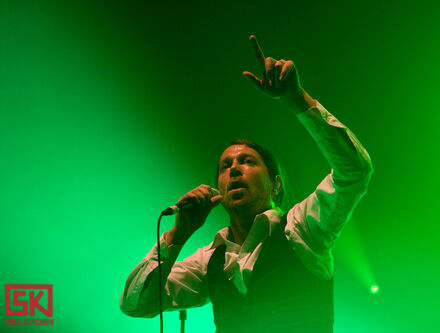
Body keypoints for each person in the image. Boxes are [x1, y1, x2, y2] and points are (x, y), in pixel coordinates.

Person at [120, 35, 373, 333]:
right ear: (218, 189)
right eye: (226, 166)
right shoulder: (208, 261)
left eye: (248, 162)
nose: (235, 170)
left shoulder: (303, 230)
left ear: (275, 184)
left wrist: (297, 100)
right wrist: (179, 234)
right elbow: (137, 304)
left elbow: (354, 171)